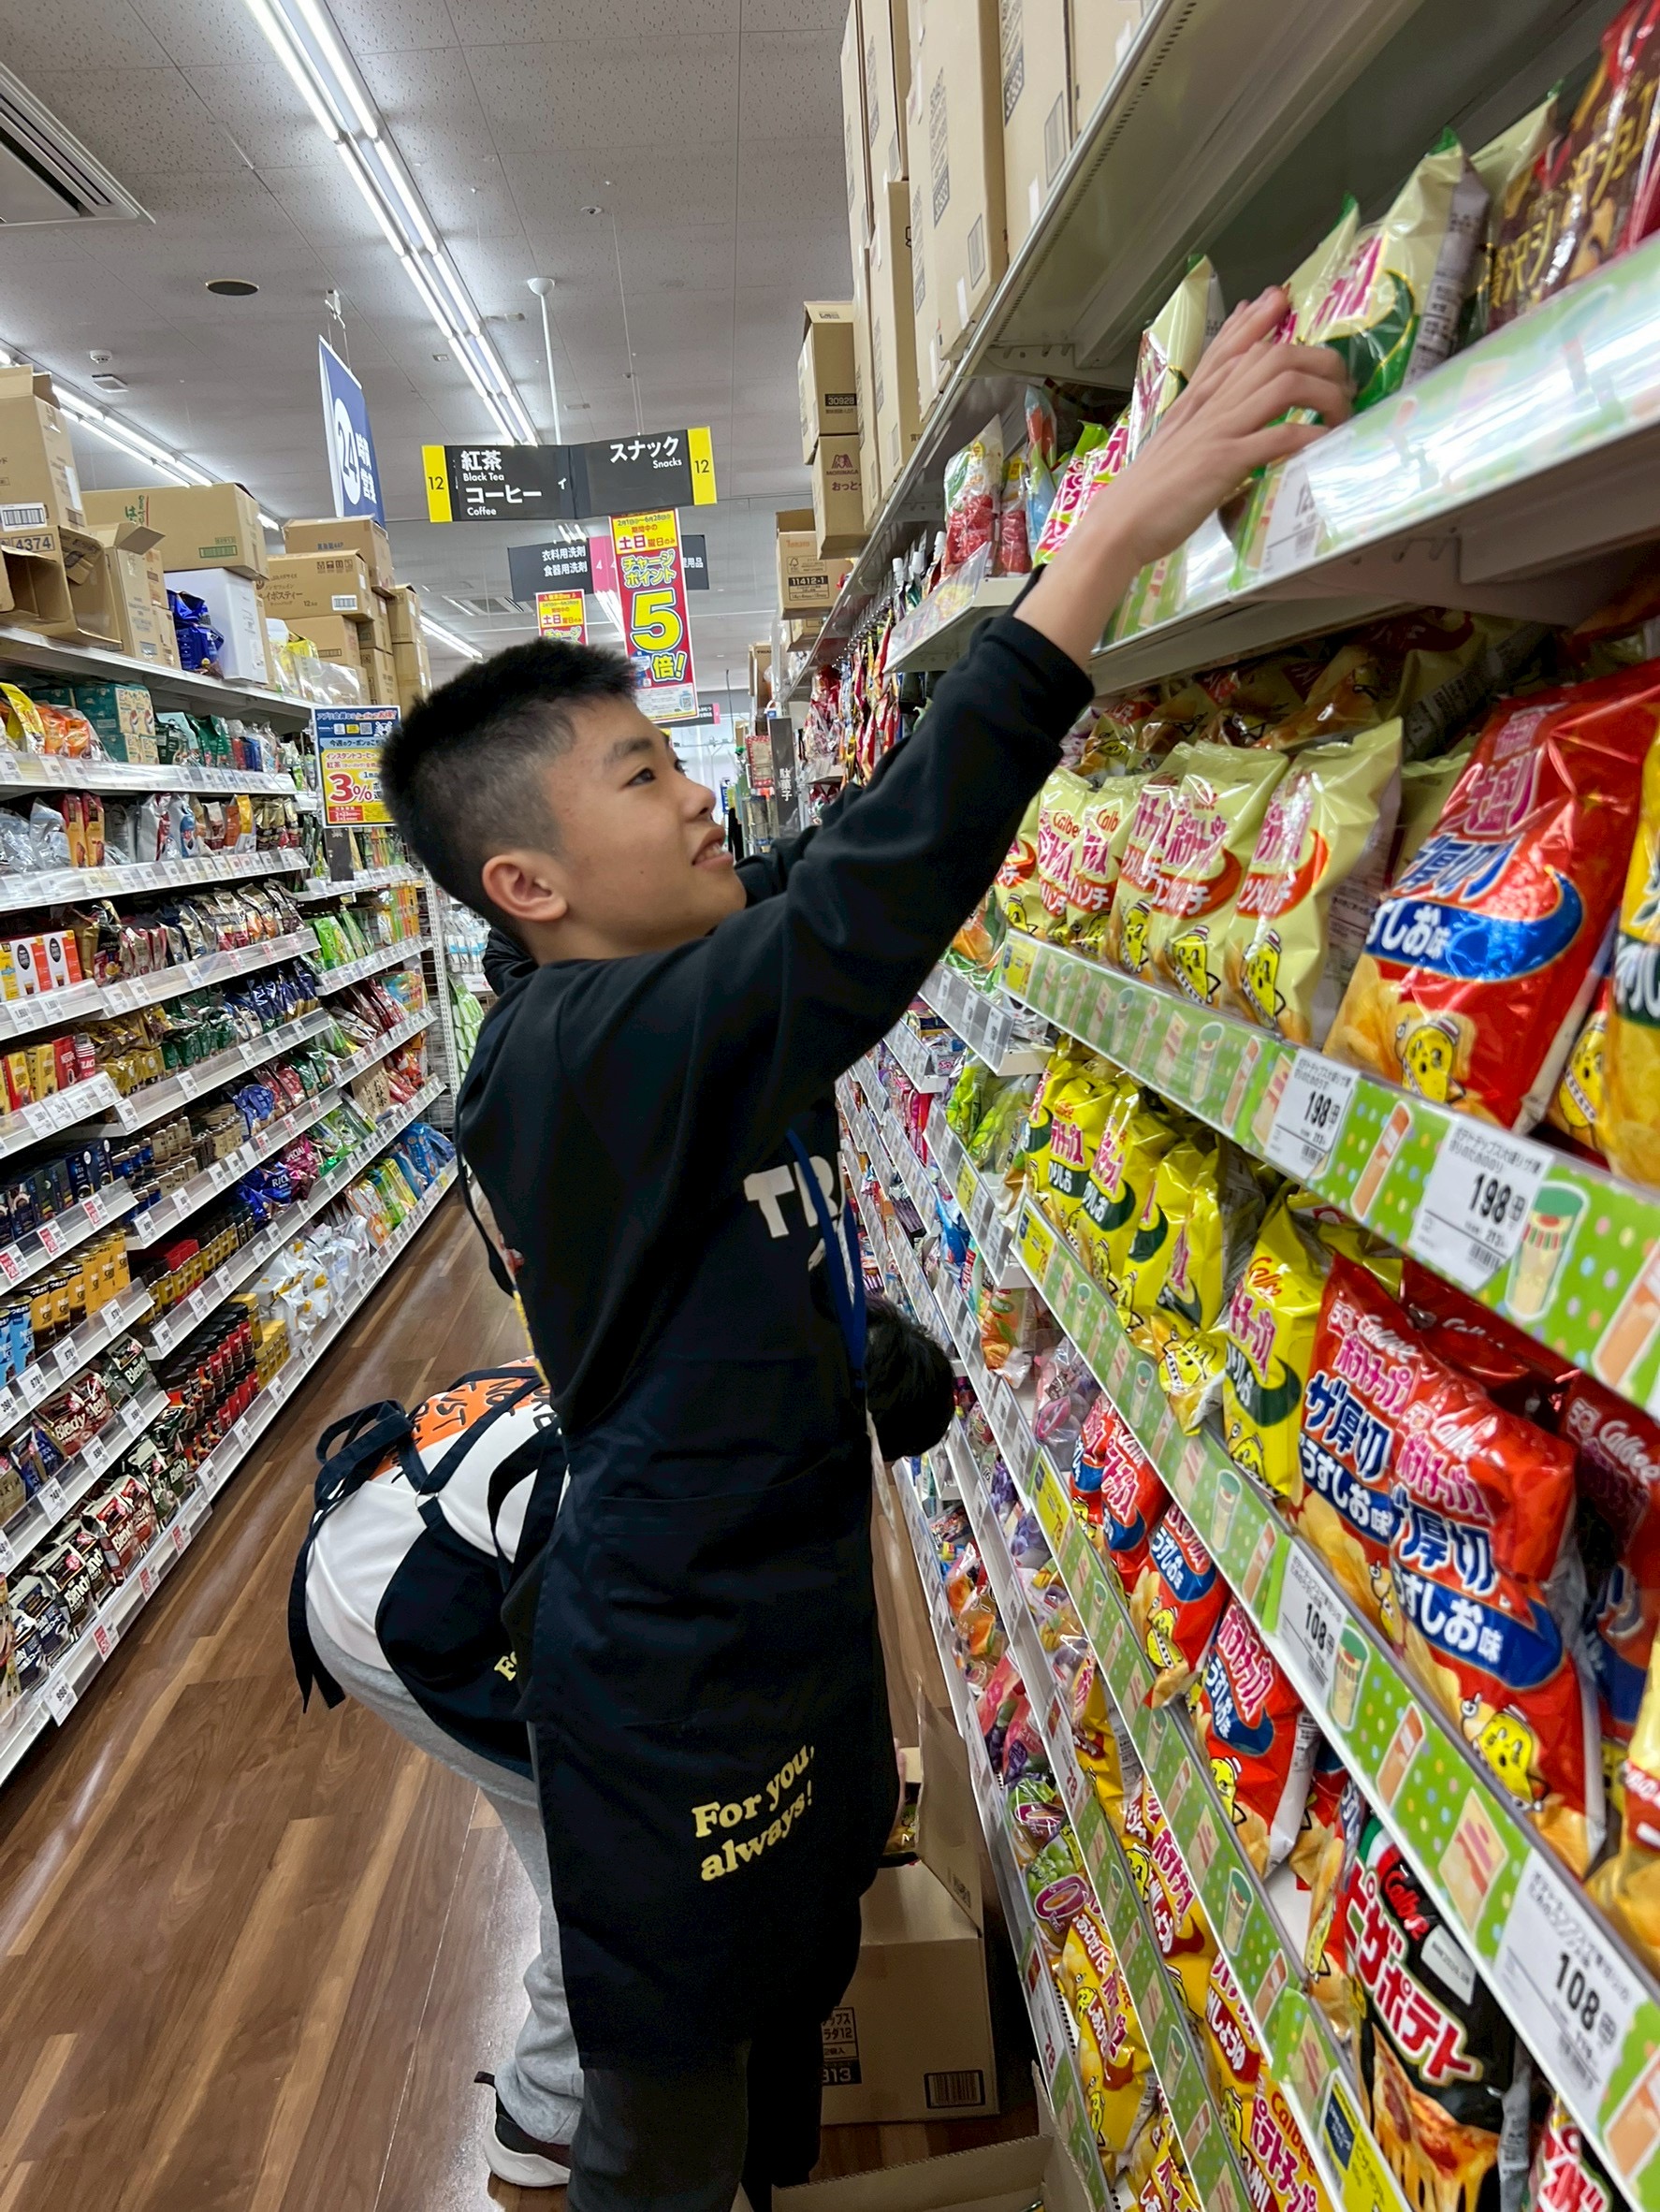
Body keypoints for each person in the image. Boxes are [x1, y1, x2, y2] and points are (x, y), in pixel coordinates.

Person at [377, 290, 1349, 2212]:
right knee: (671, 2128)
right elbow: (850, 926)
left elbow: (827, 871)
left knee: (781, 2045)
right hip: (674, 1683)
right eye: (641, 776)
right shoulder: (571, 1052)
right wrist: (1098, 544)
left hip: (787, 1627)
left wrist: (846, 1356)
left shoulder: (664, 989)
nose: (698, 791)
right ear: (526, 883)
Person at [284, 1315, 954, 2193]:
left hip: (422, 1521)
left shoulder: (716, 1364)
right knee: (607, 1859)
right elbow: (632, 1675)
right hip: (395, 1599)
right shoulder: (677, 1486)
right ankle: (542, 2116)